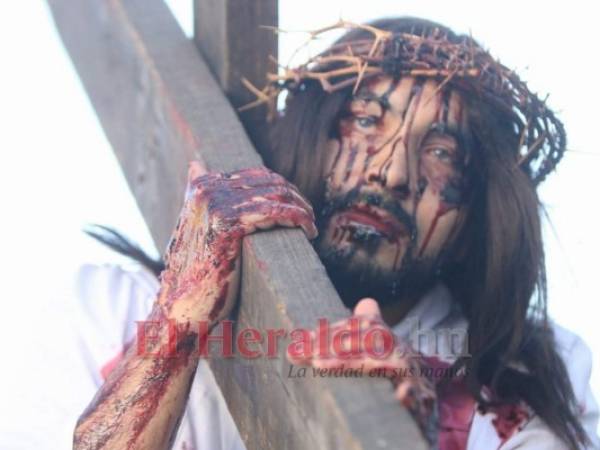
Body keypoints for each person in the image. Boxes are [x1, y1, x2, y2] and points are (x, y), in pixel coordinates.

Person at [72, 17, 599, 450]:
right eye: (367, 121)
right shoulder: (109, 309)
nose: (392, 173)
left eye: (441, 154)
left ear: (475, 218)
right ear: (310, 134)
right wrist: (177, 325)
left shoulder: (536, 379)